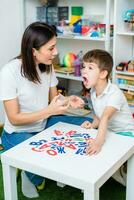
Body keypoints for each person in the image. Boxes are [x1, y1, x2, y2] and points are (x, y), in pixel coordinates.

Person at [0, 22, 92, 198]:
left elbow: (54, 100)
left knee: (87, 125)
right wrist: (50, 111)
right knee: (41, 160)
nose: (56, 52)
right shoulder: (9, 72)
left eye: (55, 46)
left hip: (44, 124)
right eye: (51, 48)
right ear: (34, 50)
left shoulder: (47, 66)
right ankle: (29, 172)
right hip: (17, 132)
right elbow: (14, 118)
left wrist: (67, 100)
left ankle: (31, 168)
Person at [81, 49, 134, 156]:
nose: (84, 71)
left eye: (90, 68)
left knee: (100, 153)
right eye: (83, 66)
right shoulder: (93, 91)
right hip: (110, 131)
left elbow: (105, 117)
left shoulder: (114, 93)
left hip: (126, 134)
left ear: (103, 74)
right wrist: (92, 125)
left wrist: (98, 143)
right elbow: (98, 115)